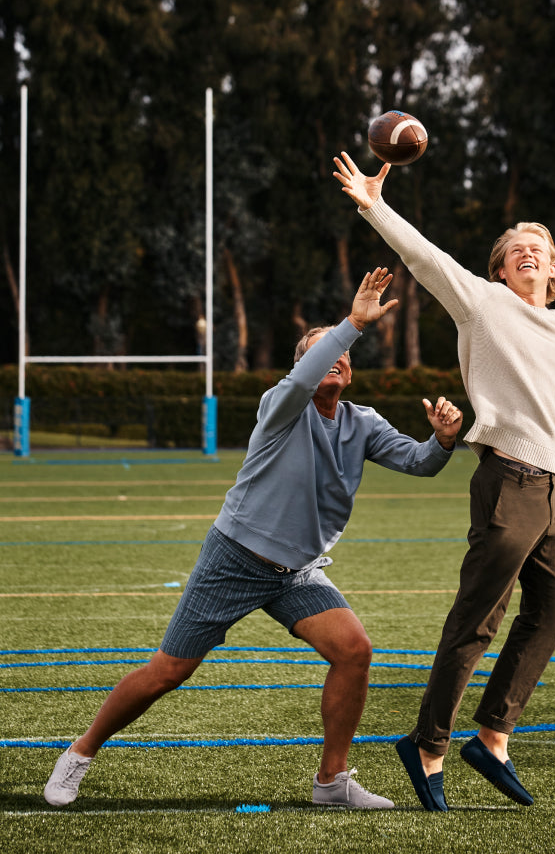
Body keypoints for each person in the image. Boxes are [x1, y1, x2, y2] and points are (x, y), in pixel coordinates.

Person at [43, 268, 465, 809]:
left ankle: (331, 784)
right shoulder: (281, 406)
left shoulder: (363, 422)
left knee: (354, 652)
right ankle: (79, 753)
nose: (334, 359)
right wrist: (352, 323)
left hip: (297, 573)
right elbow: (304, 376)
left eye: (342, 356)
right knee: (167, 672)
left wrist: (445, 440)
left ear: (352, 374)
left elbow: (420, 461)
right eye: (321, 353)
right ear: (301, 368)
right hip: (236, 557)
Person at [331, 151, 555, 810]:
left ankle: (491, 735)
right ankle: (428, 744)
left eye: (540, 248)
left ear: (553, 270)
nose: (530, 252)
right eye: (518, 248)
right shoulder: (484, 304)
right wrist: (372, 202)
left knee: (549, 616)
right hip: (509, 482)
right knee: (478, 620)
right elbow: (425, 257)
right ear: (499, 268)